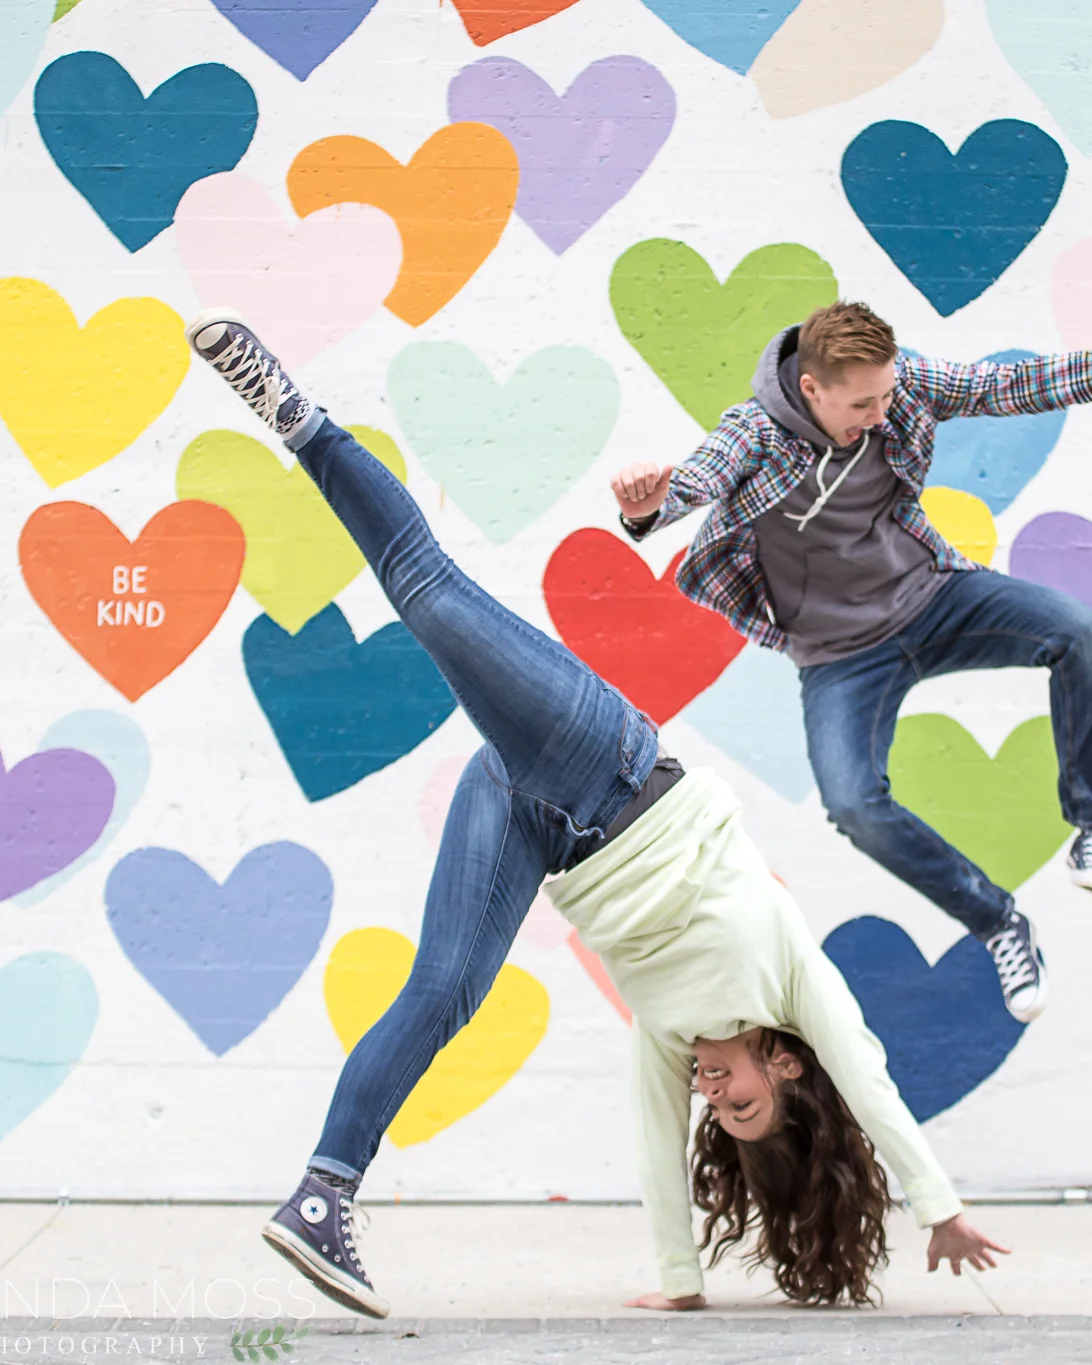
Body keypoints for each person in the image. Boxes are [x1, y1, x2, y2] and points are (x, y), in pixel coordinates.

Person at [183, 312, 1007, 1319]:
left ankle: (321, 1197)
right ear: (786, 1064)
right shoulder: (791, 976)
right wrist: (938, 1206)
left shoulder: (674, 1036)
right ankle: (297, 415)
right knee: (429, 594)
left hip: (538, 827)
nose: (714, 1091)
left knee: (444, 991)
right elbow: (870, 1086)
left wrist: (680, 1283)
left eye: (719, 1109)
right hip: (608, 768)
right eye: (742, 1097)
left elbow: (655, 1145)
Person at [609, 271, 1092, 1024]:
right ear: (811, 389)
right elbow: (698, 477)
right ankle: (998, 921)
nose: (880, 415)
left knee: (1077, 632)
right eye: (861, 405)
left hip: (933, 600)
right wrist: (649, 506)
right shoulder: (756, 432)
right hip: (841, 655)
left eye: (885, 397)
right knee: (854, 805)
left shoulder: (900, 386)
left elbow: (1015, 385)